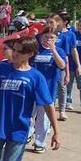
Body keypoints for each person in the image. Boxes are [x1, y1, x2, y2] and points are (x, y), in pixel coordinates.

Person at [29, 24, 66, 153]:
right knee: (28, 114)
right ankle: (28, 133)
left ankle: (40, 142)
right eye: (46, 37)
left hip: (47, 89)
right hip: (32, 88)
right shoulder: (35, 50)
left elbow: (61, 65)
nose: (49, 39)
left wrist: (53, 49)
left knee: (43, 118)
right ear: (41, 37)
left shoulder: (59, 51)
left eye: (52, 37)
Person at [55, 12, 81, 121]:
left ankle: (62, 111)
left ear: (65, 22)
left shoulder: (70, 35)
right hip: (50, 64)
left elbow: (73, 50)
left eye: (58, 20)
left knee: (62, 87)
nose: (56, 22)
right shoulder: (52, 33)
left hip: (63, 64)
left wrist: (78, 65)